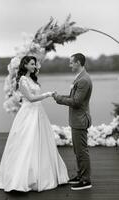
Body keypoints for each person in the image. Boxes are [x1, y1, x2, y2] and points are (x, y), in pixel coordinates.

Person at [0, 56, 69, 192]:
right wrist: (47, 94)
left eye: (34, 64)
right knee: (27, 142)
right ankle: (23, 177)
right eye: (31, 64)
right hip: (29, 113)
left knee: (42, 142)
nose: (34, 66)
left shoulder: (32, 79)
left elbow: (33, 90)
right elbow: (30, 98)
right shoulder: (22, 80)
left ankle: (44, 174)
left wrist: (38, 71)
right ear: (25, 65)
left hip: (39, 113)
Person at [53, 53, 92, 190]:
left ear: (78, 63)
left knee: (82, 151)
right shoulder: (80, 78)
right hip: (76, 120)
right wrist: (59, 96)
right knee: (78, 151)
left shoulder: (84, 80)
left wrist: (58, 99)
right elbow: (72, 97)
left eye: (71, 62)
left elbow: (75, 102)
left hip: (80, 120)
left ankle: (86, 180)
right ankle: (80, 176)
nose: (69, 65)